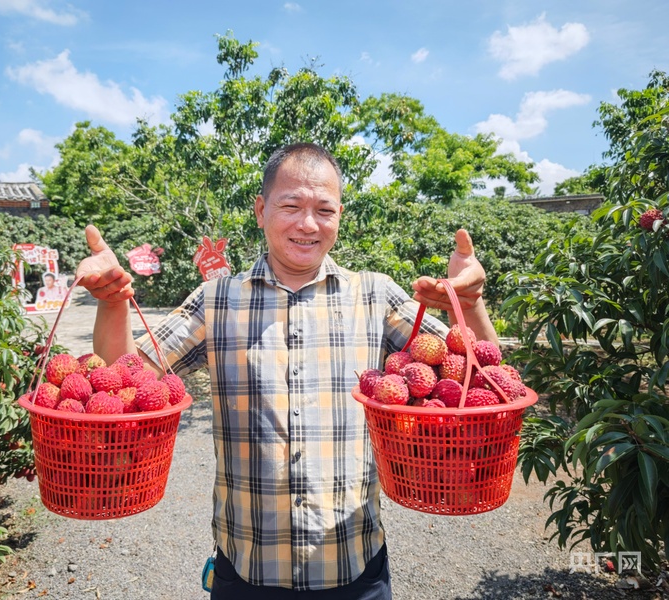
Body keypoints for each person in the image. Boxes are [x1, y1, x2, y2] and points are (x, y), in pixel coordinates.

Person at [75, 143, 497, 599]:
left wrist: (469, 305)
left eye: (324, 210)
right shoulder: (217, 300)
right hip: (248, 568)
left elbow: (480, 377)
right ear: (260, 210)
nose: (308, 224)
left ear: (340, 216)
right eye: (291, 206)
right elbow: (123, 381)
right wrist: (114, 303)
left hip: (354, 567)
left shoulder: (375, 296)